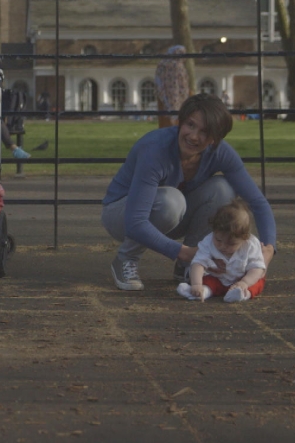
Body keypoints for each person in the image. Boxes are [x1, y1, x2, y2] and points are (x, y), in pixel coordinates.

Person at [100, 93, 276, 292]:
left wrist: (269, 248)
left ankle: (188, 268)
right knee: (171, 202)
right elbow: (135, 222)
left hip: (170, 216)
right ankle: (126, 259)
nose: (193, 136)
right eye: (190, 125)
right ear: (180, 122)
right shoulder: (155, 150)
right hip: (121, 215)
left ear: (214, 138)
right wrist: (182, 252)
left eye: (204, 132)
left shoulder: (221, 153)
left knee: (222, 188)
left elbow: (258, 203)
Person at [177, 198, 267, 302]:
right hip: (218, 279)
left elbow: (257, 268)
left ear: (245, 238)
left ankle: (241, 295)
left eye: (231, 243)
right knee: (207, 280)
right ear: (214, 231)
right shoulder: (208, 241)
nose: (223, 246)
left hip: (243, 279)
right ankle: (201, 292)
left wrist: (244, 282)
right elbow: (198, 263)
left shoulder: (251, 245)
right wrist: (196, 284)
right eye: (218, 240)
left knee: (258, 282)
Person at [155, 45, 190, 128]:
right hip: (177, 96)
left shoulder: (162, 63)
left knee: (165, 120)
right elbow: (182, 83)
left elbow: (157, 79)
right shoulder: (178, 65)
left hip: (163, 95)